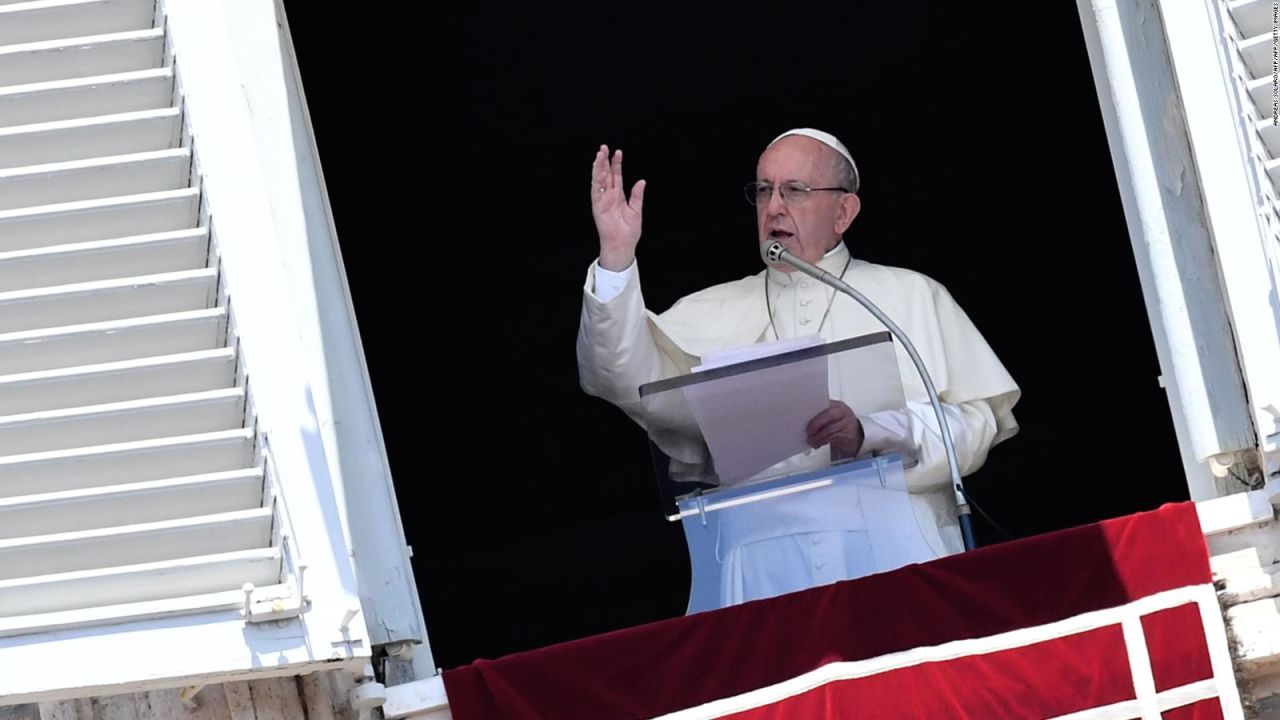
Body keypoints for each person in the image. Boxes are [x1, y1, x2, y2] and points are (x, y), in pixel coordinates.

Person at [577, 128, 1020, 605]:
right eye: (763, 190)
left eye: (795, 191)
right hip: (760, 564)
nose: (774, 207)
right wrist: (617, 258)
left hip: (892, 544)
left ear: (844, 212)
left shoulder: (910, 295)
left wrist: (870, 432)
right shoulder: (714, 307)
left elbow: (974, 424)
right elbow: (622, 378)